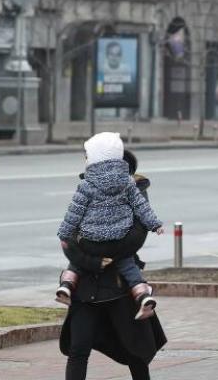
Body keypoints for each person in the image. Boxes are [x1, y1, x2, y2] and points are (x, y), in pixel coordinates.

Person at [59, 149, 167, 380]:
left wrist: (100, 250)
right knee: (79, 349)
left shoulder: (135, 189)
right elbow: (69, 238)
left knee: (136, 349)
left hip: (121, 285)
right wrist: (92, 261)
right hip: (87, 285)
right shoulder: (87, 187)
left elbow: (135, 237)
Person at [57, 132, 164, 320]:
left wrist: (64, 235)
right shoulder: (129, 184)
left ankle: (66, 284)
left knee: (76, 263)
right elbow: (142, 209)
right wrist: (155, 225)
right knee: (129, 265)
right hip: (119, 241)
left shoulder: (87, 185)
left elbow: (73, 215)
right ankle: (143, 294)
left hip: (93, 243)